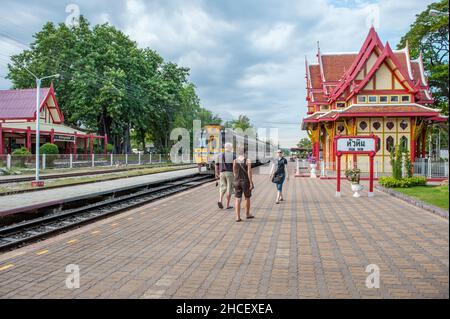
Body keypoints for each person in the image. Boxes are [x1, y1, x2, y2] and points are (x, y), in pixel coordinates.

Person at [233, 145, 254, 222]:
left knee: (237, 199)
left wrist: (236, 180)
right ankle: (247, 214)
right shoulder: (248, 160)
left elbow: (234, 172)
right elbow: (249, 172)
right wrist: (251, 182)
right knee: (247, 198)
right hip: (245, 182)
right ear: (245, 152)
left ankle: (237, 217)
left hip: (237, 181)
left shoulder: (235, 160)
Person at [215, 142, 235, 209]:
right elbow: (234, 165)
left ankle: (220, 200)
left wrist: (216, 174)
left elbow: (216, 165)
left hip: (221, 173)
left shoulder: (219, 155)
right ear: (230, 148)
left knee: (222, 187)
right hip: (229, 173)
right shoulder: (233, 155)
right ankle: (227, 205)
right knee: (229, 188)